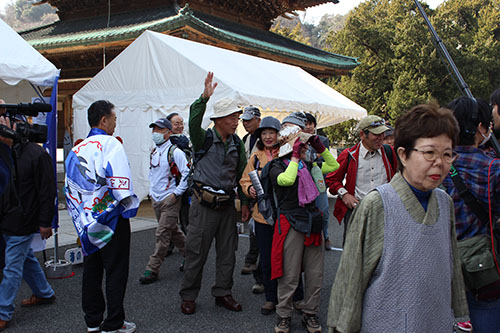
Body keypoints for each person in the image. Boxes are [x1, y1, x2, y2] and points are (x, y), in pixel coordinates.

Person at [327, 104, 468, 333]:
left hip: (437, 321)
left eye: (447, 154)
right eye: (429, 152)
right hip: (387, 324)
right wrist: (343, 326)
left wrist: (460, 314)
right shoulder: (376, 205)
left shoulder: (445, 202)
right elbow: (351, 279)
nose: (440, 163)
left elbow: (451, 267)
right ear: (403, 154)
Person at [65, 100, 139, 333]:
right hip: (111, 218)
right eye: (114, 119)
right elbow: (120, 186)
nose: (116, 124)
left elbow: (69, 190)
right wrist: (128, 207)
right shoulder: (111, 144)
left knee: (92, 270)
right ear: (104, 120)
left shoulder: (76, 150)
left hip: (86, 221)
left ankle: (93, 320)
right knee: (116, 270)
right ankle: (114, 321)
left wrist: (80, 220)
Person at [179, 72, 249, 315]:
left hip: (228, 206)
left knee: (228, 253)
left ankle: (223, 293)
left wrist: (246, 203)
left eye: (237, 117)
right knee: (196, 252)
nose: (236, 121)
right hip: (203, 205)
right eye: (232, 117)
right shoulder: (203, 138)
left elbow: (242, 174)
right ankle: (188, 296)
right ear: (219, 119)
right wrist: (204, 98)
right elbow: (193, 120)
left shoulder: (237, 144)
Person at [270, 118, 339, 333]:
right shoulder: (274, 166)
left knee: (315, 273)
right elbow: (287, 180)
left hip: (312, 223)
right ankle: (284, 315)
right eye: (300, 141)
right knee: (289, 275)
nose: (304, 144)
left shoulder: (308, 165)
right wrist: (294, 156)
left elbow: (333, 165)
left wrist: (319, 147)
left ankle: (310, 312)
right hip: (291, 222)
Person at [442, 97, 500, 333]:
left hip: (441, 260)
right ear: (480, 128)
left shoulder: (434, 164)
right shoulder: (493, 168)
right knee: (486, 313)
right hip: (482, 264)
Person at [0, 111, 57, 332]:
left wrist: (46, 222)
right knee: (24, 259)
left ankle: (3, 311)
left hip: (22, 220)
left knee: (12, 265)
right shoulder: (6, 152)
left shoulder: (36, 153)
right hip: (8, 217)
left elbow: (46, 191)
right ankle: (44, 293)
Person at [325, 115, 397, 244]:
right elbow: (331, 180)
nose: (381, 138)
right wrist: (344, 194)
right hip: (356, 211)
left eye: (383, 133)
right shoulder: (349, 155)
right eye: (376, 134)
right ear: (363, 134)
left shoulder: (390, 153)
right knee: (352, 252)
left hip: (384, 212)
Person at [139, 118, 189, 284]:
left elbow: (187, 174)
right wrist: (152, 193)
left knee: (162, 234)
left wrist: (175, 194)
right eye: (154, 130)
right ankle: (191, 257)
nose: (156, 133)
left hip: (170, 200)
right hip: (157, 198)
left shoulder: (176, 152)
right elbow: (154, 173)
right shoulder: (155, 151)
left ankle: (152, 269)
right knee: (172, 230)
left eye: (159, 130)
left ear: (168, 132)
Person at [240, 116, 281, 315]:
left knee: (287, 257)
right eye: (263, 133)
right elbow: (244, 180)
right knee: (266, 257)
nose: (267, 137)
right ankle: (270, 297)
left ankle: (288, 296)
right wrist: (250, 190)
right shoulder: (255, 157)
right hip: (262, 216)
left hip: (285, 215)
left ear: (278, 134)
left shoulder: (287, 153)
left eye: (271, 132)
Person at [304, 112, 336, 251]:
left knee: (323, 209)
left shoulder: (322, 140)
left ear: (314, 126)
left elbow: (324, 159)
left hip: (318, 180)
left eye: (310, 124)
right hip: (303, 180)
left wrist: (314, 157)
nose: (308, 127)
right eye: (305, 124)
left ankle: (326, 236)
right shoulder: (299, 141)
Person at [240, 105, 263, 277]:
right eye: (244, 120)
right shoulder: (245, 139)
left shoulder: (265, 139)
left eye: (249, 120)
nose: (246, 123)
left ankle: (255, 261)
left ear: (258, 120)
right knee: (253, 227)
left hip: (265, 189)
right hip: (249, 188)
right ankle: (252, 259)